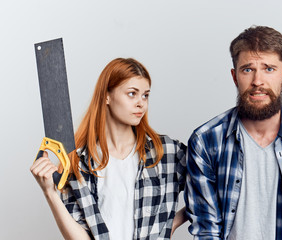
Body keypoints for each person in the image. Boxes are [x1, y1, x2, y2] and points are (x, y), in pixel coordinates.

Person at [184, 26, 282, 240]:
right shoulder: (206, 141)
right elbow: (206, 229)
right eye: (248, 69)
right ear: (234, 76)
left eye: (269, 69)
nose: (258, 81)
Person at [31, 58, 187, 240]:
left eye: (145, 95)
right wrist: (49, 192)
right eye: (132, 94)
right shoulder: (79, 162)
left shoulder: (166, 152)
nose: (141, 103)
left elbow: (208, 188)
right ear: (106, 96)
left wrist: (171, 224)